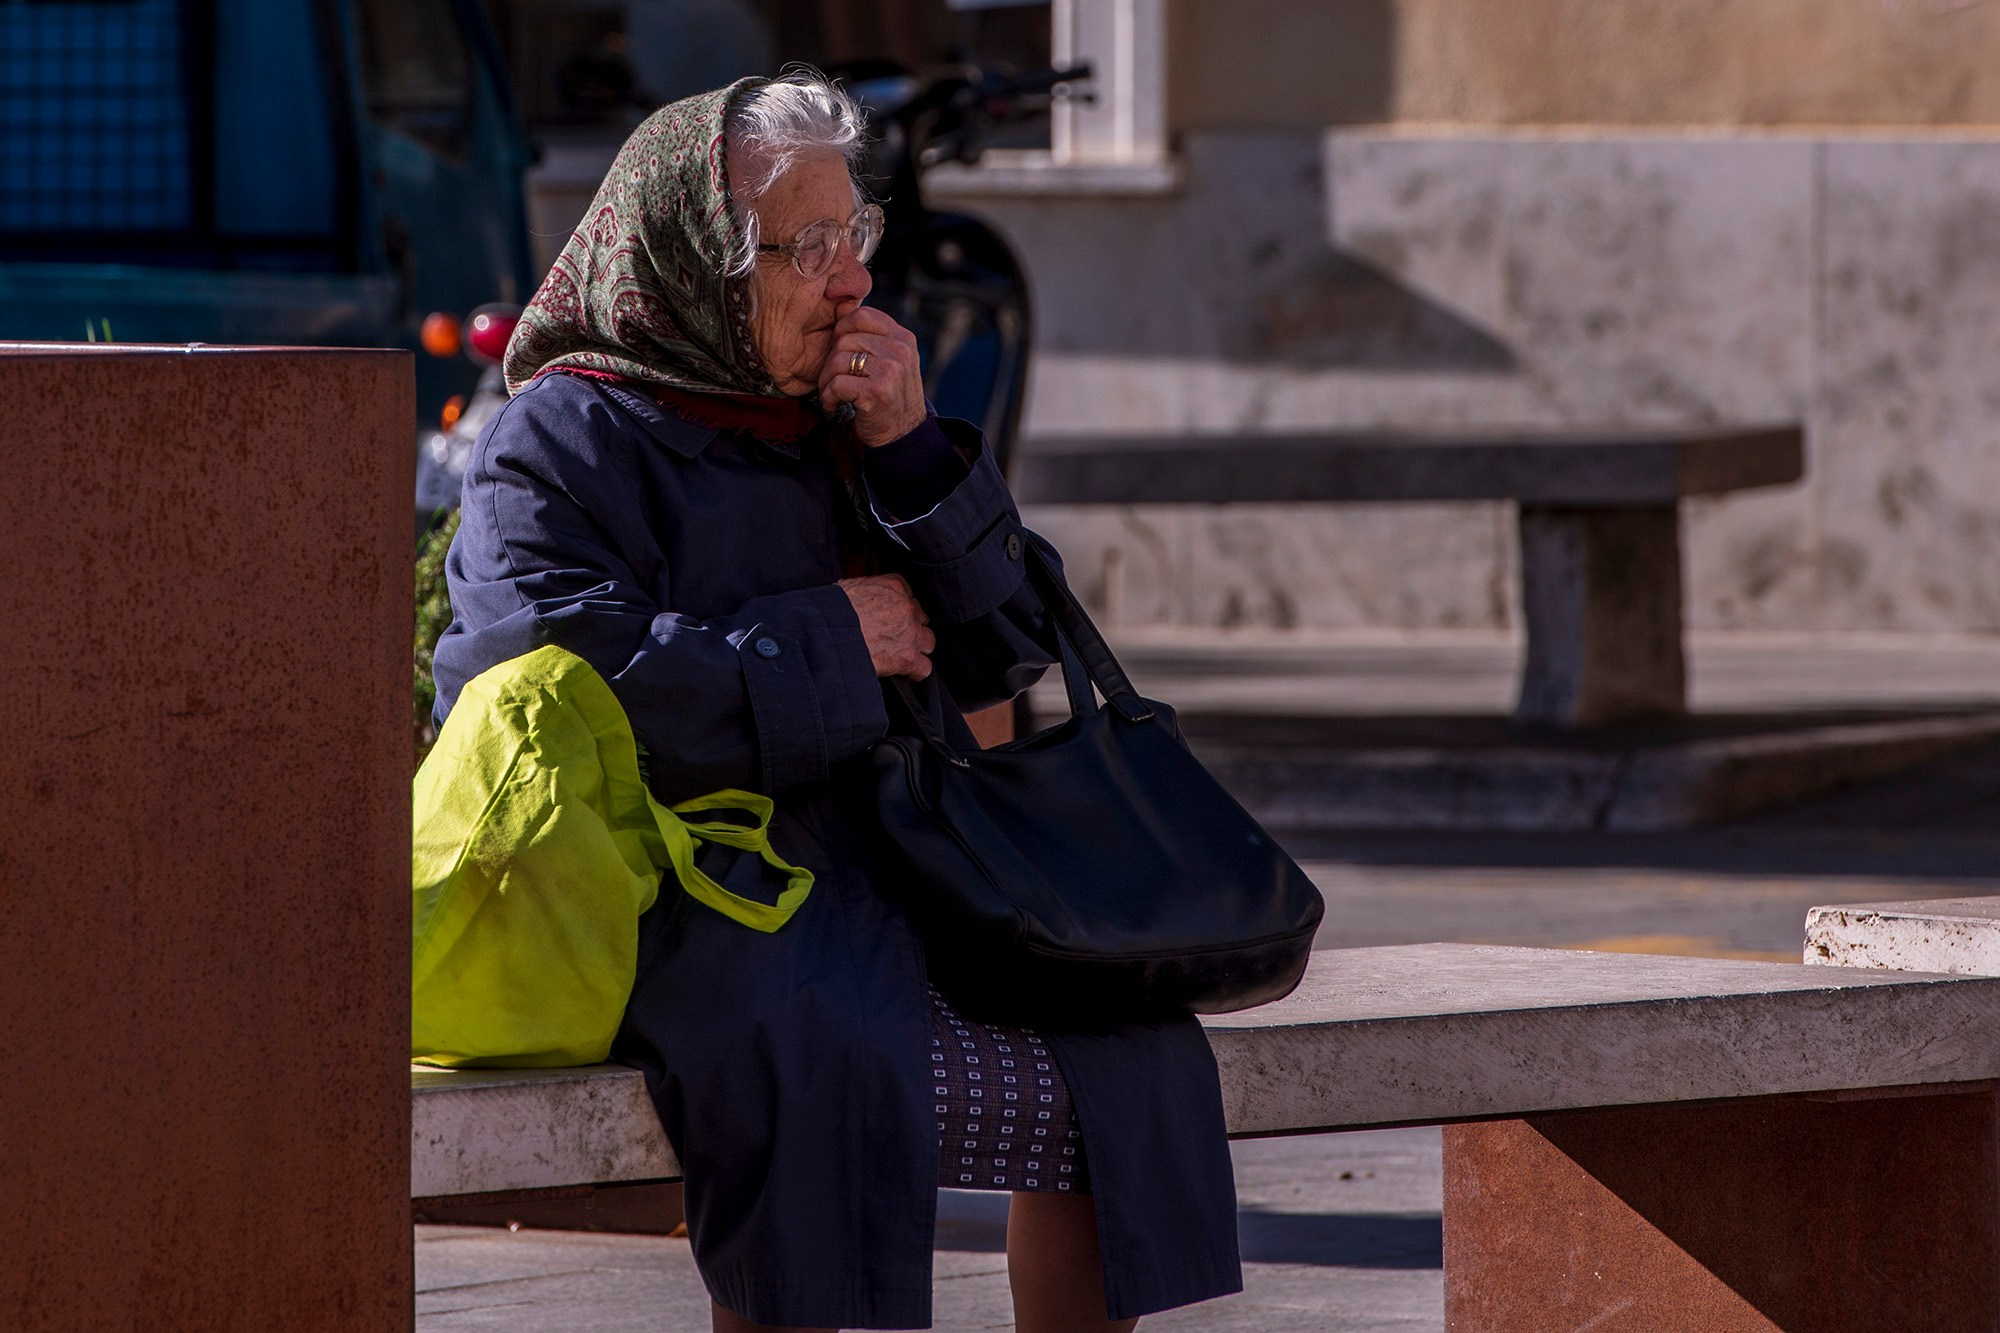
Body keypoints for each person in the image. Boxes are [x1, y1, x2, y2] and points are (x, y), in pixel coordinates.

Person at [430, 73, 1241, 1333]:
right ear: (696, 259)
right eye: (804, 247)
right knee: (809, 1053)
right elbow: (538, 682)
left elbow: (1005, 654)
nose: (852, 279)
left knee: (1123, 1044)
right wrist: (829, 639)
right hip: (697, 888)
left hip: (915, 861)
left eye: (851, 233)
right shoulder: (561, 436)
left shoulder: (845, 410)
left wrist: (917, 458)